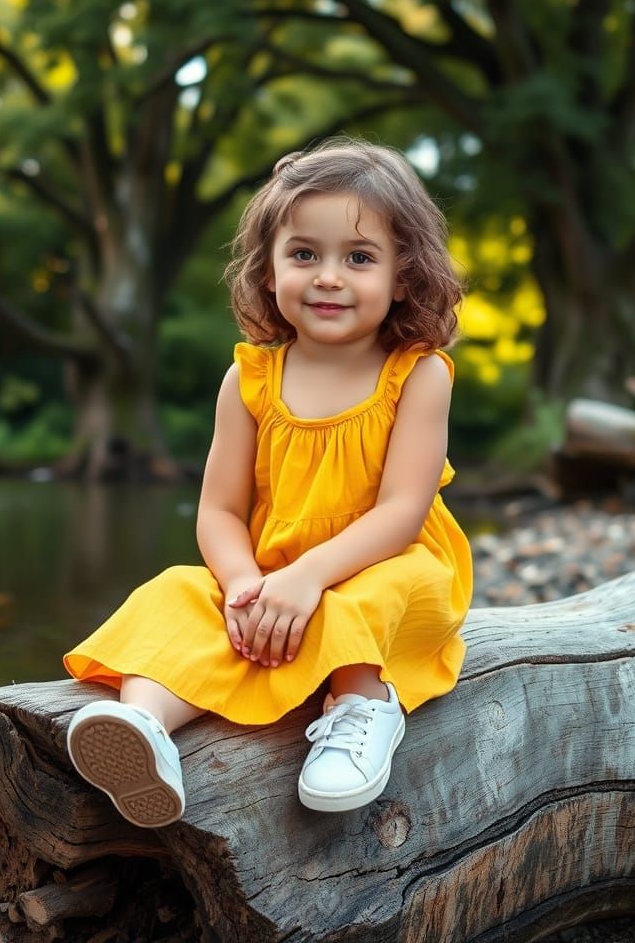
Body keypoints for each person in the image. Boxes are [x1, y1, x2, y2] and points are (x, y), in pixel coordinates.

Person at [63, 138, 473, 827]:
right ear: (270, 266)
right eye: (304, 254)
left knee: (371, 598)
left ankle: (361, 711)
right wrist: (243, 584)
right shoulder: (250, 380)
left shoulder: (417, 373)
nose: (328, 277)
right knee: (173, 593)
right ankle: (145, 729)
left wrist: (310, 578)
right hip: (274, 579)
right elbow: (220, 512)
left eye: (359, 258)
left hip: (390, 568)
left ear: (404, 275)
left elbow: (404, 511)